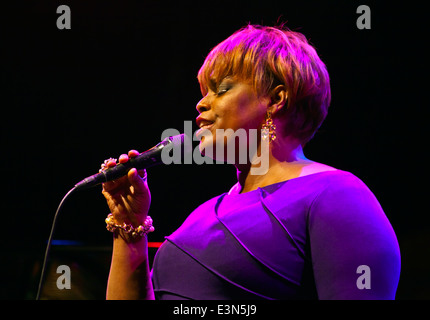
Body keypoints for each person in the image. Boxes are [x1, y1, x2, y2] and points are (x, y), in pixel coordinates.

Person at [101, 24, 401, 300]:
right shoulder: (203, 213)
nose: (201, 103)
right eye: (204, 92)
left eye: (221, 89)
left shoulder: (336, 194)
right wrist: (129, 224)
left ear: (276, 99)